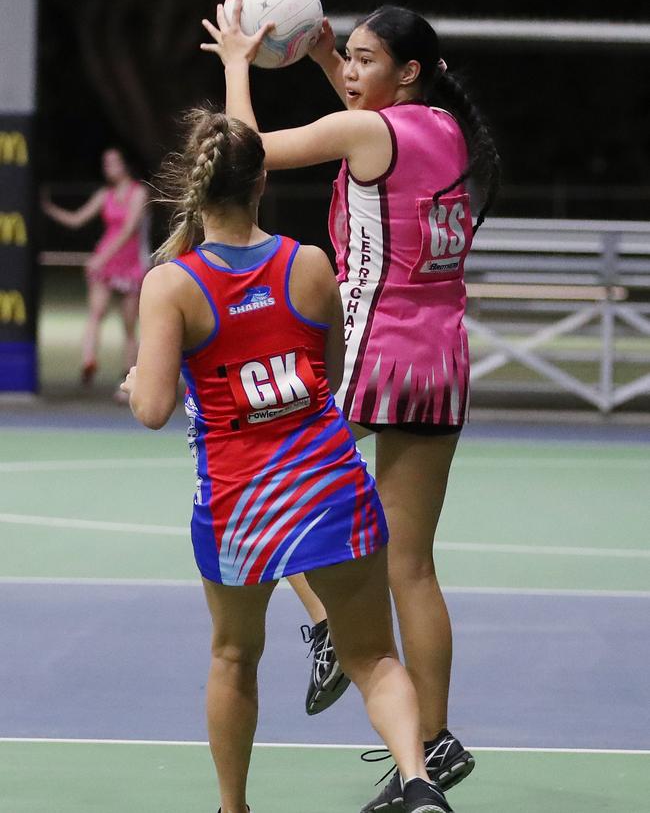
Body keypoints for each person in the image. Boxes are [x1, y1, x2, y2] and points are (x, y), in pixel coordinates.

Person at [201, 0, 501, 812]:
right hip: (441, 356)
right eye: (351, 58)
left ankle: (328, 624)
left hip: (374, 355)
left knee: (259, 479)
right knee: (412, 564)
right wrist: (327, 59)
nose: (353, 72)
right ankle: (432, 746)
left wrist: (238, 62)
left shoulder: (371, 132)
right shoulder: (443, 127)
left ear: (406, 72)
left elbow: (247, 151)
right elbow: (375, 125)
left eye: (367, 60)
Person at [120, 108, 456, 813]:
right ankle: (419, 781)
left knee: (235, 657)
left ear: (196, 183)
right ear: (263, 180)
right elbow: (329, 378)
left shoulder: (173, 284)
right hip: (334, 488)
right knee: (375, 658)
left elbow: (151, 409)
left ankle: (234, 807)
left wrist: (137, 384)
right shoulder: (307, 264)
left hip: (242, 504)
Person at [41, 147, 149, 394]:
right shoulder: (104, 194)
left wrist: (102, 258)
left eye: (112, 162)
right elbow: (77, 219)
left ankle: (127, 376)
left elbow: (129, 229)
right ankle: (88, 360)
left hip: (129, 264)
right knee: (95, 314)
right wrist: (47, 208)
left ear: (125, 165)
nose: (108, 167)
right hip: (105, 262)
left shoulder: (139, 193)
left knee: (129, 325)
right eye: (105, 163)